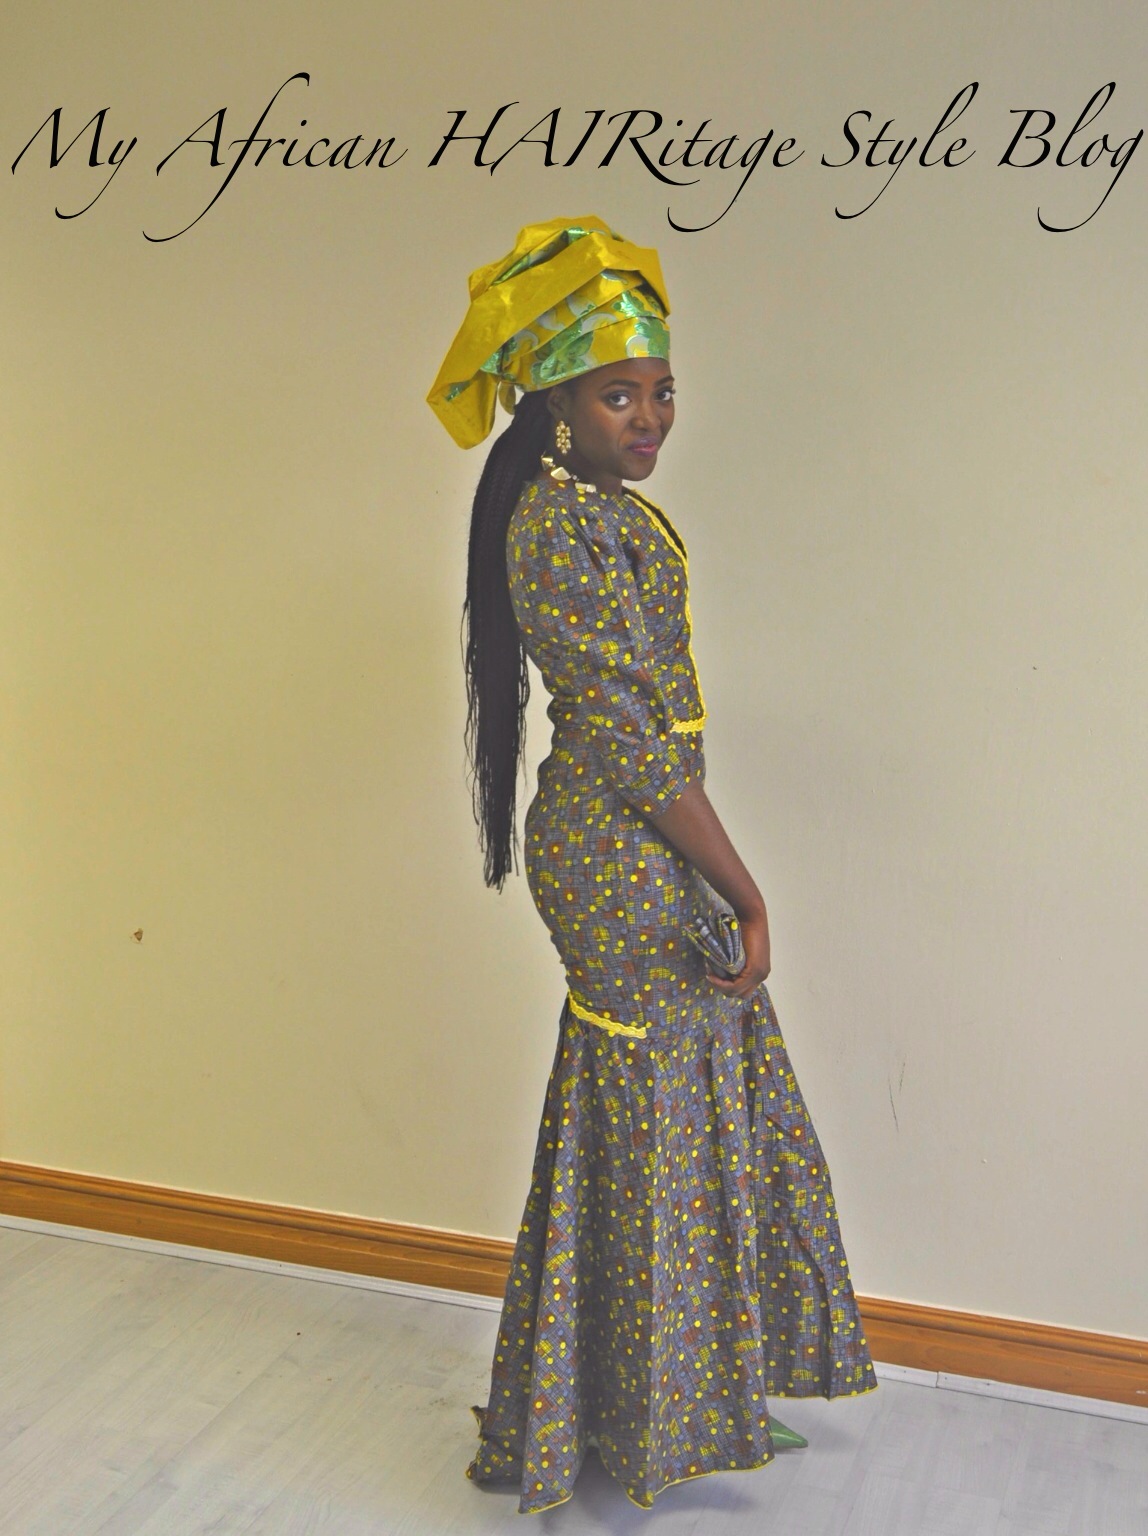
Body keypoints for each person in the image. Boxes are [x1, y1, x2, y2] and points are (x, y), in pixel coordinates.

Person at [428, 216, 876, 1514]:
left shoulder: (614, 517)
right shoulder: (553, 528)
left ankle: (691, 1390)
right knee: (652, 1114)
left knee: (696, 1094)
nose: (651, 416)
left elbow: (654, 737)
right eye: (618, 393)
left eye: (663, 389)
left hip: (645, 834)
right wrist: (747, 890)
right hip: (614, 849)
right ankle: (630, 1413)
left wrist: (724, 879)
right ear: (556, 405)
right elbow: (631, 743)